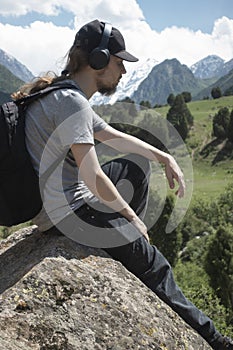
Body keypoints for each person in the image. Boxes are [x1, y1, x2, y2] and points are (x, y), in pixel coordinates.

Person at [13, 19, 233, 349]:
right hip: (68, 214)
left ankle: (125, 250)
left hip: (69, 202)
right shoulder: (71, 103)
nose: (123, 72)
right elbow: (94, 176)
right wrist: (131, 217)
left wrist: (164, 156)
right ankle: (215, 340)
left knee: (137, 166)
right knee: (157, 267)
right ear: (99, 60)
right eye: (119, 63)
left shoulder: (62, 93)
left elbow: (113, 137)